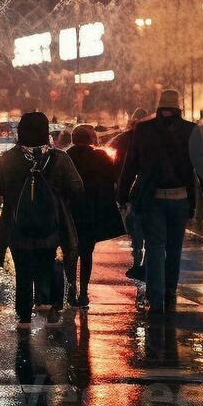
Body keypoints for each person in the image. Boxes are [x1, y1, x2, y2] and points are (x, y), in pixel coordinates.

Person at [115, 89, 203, 314]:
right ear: (178, 107)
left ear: (159, 106)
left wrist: (122, 194)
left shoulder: (143, 130)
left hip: (152, 198)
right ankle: (171, 291)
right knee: (174, 248)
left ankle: (156, 297)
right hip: (181, 198)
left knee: (154, 246)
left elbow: (130, 164)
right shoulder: (190, 130)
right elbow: (202, 166)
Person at [0, 112, 84, 327]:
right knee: (48, 261)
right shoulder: (59, 158)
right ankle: (50, 304)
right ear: (45, 132)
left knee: (22, 270)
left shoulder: (7, 158)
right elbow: (77, 187)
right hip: (50, 226)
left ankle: (24, 316)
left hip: (17, 226)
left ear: (20, 131)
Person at [64, 124, 124, 308]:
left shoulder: (65, 157)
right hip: (93, 210)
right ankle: (83, 292)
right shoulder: (101, 156)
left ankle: (71, 289)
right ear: (91, 139)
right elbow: (114, 177)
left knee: (70, 251)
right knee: (86, 252)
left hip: (70, 210)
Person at [109, 108, 149, 280]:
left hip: (134, 188)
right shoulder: (151, 138)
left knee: (134, 225)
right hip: (147, 188)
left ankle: (138, 259)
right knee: (149, 230)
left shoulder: (124, 138)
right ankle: (146, 263)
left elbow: (120, 164)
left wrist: (120, 191)